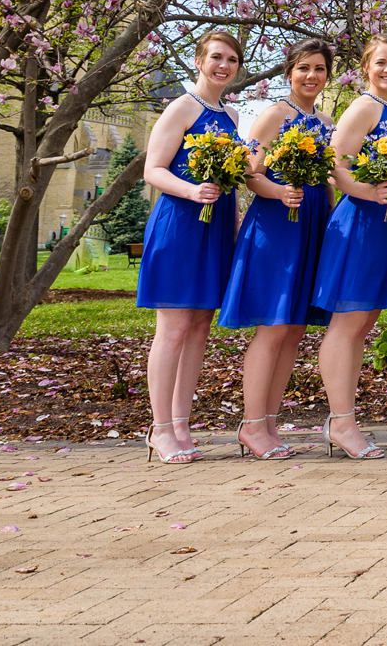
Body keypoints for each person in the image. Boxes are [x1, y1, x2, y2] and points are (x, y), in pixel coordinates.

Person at [221, 36, 337, 461]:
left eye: (320, 69)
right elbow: (250, 173)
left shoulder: (326, 121)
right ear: (289, 71)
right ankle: (252, 424)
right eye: (304, 68)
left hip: (311, 227)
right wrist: (278, 193)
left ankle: (268, 423)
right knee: (272, 327)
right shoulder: (273, 115)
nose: (312, 76)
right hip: (276, 225)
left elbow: (328, 179)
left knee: (293, 330)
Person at [137, 29, 246, 463]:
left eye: (232, 60)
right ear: (199, 61)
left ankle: (181, 422)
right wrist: (190, 191)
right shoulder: (181, 107)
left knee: (200, 325)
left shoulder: (233, 115)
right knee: (175, 327)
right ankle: (159, 427)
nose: (223, 66)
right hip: (181, 225)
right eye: (216, 57)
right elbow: (153, 169)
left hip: (215, 227)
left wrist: (234, 224)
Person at [313, 33, 387, 460]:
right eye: (380, 63)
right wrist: (365, 192)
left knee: (363, 324)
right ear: (365, 68)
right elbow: (336, 162)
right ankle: (340, 422)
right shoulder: (364, 106)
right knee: (348, 324)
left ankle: (345, 418)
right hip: (361, 221)